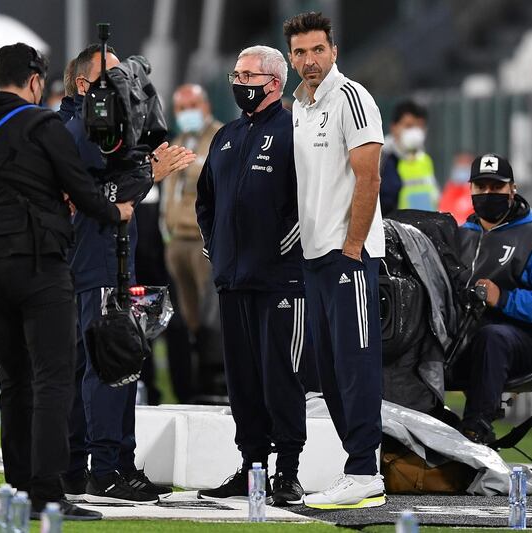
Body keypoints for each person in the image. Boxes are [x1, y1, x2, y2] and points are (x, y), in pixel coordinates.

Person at [0, 43, 135, 520]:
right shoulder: (42, 123)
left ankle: (17, 484)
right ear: (35, 81)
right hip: (38, 265)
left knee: (14, 381)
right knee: (53, 378)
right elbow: (83, 189)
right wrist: (118, 211)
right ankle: (46, 492)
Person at [60, 43, 194, 503]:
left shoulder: (96, 128)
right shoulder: (79, 130)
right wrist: (149, 173)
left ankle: (77, 466)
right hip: (96, 262)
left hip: (99, 263)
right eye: (112, 77)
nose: (125, 85)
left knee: (91, 365)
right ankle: (108, 467)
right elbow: (100, 197)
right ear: (84, 85)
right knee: (111, 363)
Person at [195, 45, 307, 506]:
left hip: (281, 281)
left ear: (274, 83)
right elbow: (206, 199)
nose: (238, 82)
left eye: (247, 75)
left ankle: (288, 472)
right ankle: (252, 467)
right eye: (236, 73)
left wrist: (282, 250)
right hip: (233, 282)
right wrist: (214, 245)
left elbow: (309, 203)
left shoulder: (294, 131)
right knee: (241, 381)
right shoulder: (226, 135)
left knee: (281, 377)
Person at [285, 11, 386, 509]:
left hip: (349, 257)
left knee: (356, 364)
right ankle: (358, 467)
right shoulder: (298, 107)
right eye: (300, 52)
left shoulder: (352, 97)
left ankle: (366, 467)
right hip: (312, 258)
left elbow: (369, 178)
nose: (310, 61)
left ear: (334, 51)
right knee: (325, 372)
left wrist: (353, 247)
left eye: (317, 50)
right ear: (290, 58)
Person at [453, 153, 532, 444]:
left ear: (512, 190)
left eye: (496, 188)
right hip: (467, 338)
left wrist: (504, 298)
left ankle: (476, 428)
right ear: (470, 190)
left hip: (526, 342)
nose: (488, 194)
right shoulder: (457, 237)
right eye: (481, 188)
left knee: (492, 337)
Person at [162, 83, 223, 402]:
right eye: (181, 108)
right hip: (177, 241)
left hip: (203, 241)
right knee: (188, 317)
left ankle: (216, 380)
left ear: (206, 104)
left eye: (192, 105)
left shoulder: (220, 138)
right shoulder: (178, 141)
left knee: (213, 312)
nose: (187, 113)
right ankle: (196, 381)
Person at [379, 100, 438, 216]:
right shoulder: (382, 161)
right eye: (408, 126)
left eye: (419, 126)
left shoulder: (424, 160)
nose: (415, 132)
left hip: (424, 227)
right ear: (394, 127)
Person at [438, 152, 475, 225]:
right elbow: (443, 210)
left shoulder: (476, 191)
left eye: (465, 167)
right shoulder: (450, 189)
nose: (462, 170)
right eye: (460, 166)